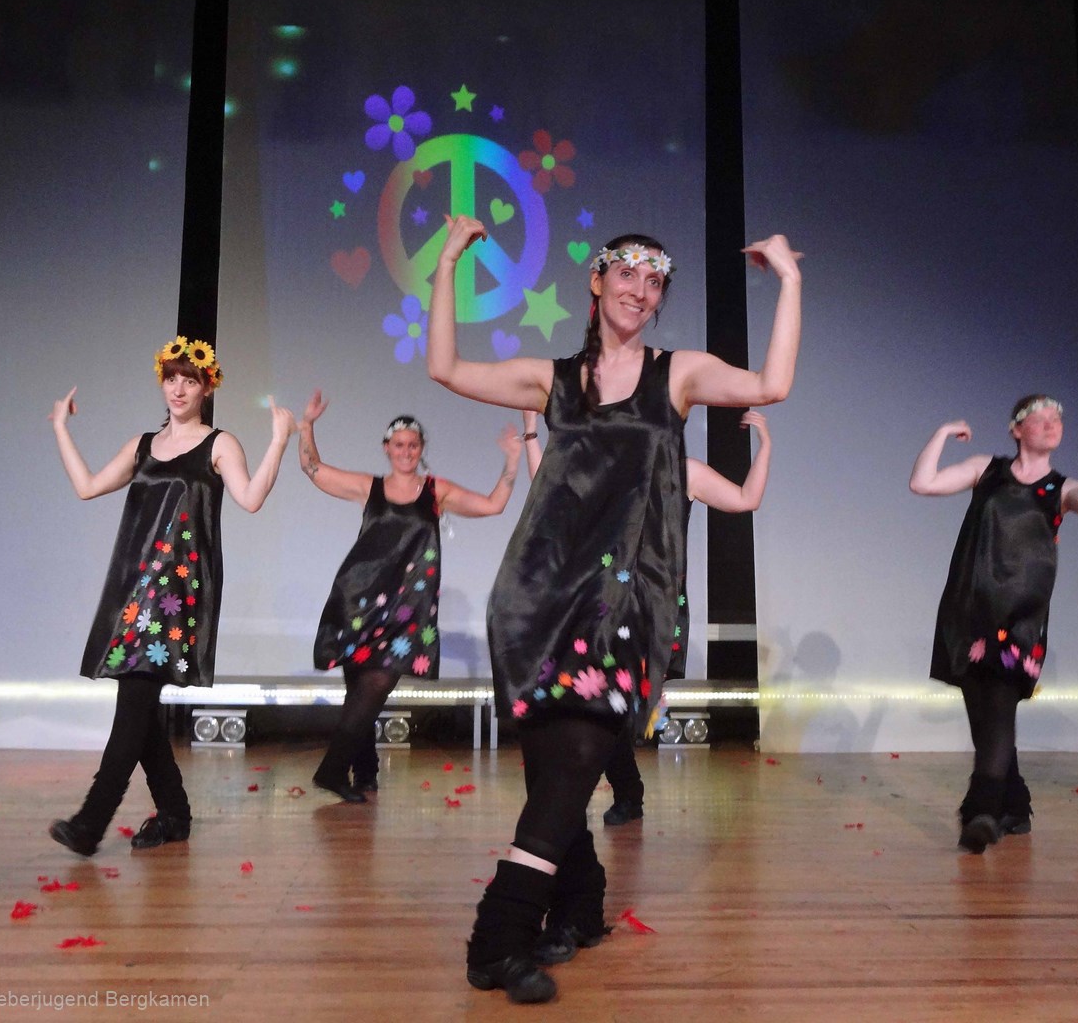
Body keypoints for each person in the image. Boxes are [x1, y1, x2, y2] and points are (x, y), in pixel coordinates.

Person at [430, 215, 801, 1003]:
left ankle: (496, 939)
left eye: (654, 280)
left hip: (627, 603)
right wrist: (449, 261)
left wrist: (790, 281)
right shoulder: (555, 379)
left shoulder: (679, 373)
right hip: (539, 596)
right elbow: (446, 368)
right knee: (551, 772)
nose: (640, 289)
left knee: (574, 759)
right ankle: (582, 905)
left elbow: (772, 385)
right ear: (597, 282)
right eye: (627, 274)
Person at [48, 337, 296, 856]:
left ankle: (91, 823)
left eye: (190, 380)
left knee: (133, 704)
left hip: (176, 596)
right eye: (172, 379)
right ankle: (175, 814)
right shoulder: (143, 445)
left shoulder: (219, 444)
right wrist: (60, 429)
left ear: (207, 387)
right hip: (133, 591)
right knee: (139, 712)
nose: (179, 389)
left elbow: (251, 499)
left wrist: (278, 440)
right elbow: (88, 486)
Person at [521, 407, 774, 828]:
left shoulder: (686, 473)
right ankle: (626, 792)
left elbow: (747, 499)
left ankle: (625, 792)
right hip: (603, 606)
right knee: (600, 705)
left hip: (653, 610)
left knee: (612, 707)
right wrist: (531, 432)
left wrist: (765, 445)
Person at [910, 396, 1078, 855]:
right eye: (1041, 418)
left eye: (1058, 419)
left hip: (1020, 620)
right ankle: (1015, 805)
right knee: (984, 714)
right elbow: (923, 482)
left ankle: (982, 811)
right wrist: (942, 434)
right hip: (971, 610)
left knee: (999, 705)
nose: (1052, 424)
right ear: (1016, 429)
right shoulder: (986, 470)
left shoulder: (1061, 489)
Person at [298, 393, 522, 801]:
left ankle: (331, 771)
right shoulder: (370, 486)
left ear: (421, 449)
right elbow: (313, 469)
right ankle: (365, 774)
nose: (405, 451)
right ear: (387, 448)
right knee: (360, 693)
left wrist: (512, 461)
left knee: (375, 685)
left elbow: (492, 505)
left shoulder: (436, 491)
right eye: (399, 444)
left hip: (406, 610)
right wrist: (307, 426)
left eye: (413, 445)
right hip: (358, 600)